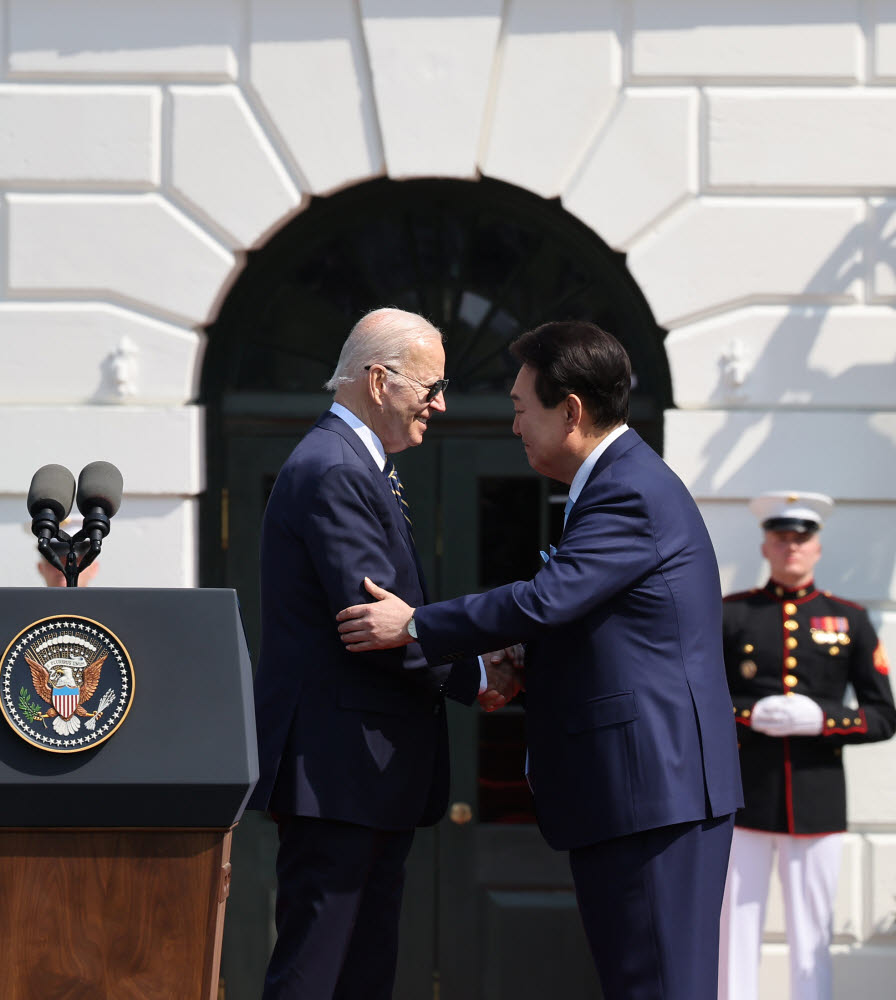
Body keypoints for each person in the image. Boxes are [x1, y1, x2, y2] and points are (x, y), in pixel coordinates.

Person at [336, 319, 743, 1000]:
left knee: (661, 985)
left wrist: (413, 624)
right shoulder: (613, 483)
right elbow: (591, 612)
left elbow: (550, 597)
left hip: (654, 793)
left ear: (572, 411)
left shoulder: (629, 491)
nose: (515, 426)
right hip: (639, 792)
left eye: (522, 408)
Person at [247, 307, 510, 1000]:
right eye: (430, 388)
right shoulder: (335, 468)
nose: (441, 404)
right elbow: (373, 624)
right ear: (377, 380)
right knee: (318, 970)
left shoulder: (355, 463)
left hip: (360, 772)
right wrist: (479, 672)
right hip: (340, 771)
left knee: (360, 969)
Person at [718, 492, 896, 1000]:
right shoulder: (733, 616)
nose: (791, 547)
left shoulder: (850, 619)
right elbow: (698, 701)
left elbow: (883, 715)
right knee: (735, 929)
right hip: (744, 793)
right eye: (781, 537)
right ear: (765, 545)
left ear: (817, 548)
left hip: (816, 798)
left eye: (802, 538)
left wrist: (824, 718)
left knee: (813, 935)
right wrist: (750, 715)